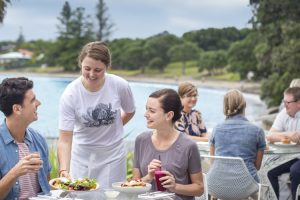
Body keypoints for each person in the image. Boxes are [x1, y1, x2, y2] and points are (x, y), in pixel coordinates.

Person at [57, 41, 135, 188]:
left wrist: (113, 128)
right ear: (80, 64)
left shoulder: (120, 85)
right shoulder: (70, 93)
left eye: (98, 70)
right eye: (87, 68)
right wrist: (63, 170)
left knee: (112, 196)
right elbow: (65, 139)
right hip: (82, 155)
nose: (91, 74)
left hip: (113, 154)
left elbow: (130, 111)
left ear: (107, 67)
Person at [133, 89, 203, 200]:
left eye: (152, 111)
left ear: (169, 115)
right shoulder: (141, 140)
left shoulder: (189, 146)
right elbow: (134, 186)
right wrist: (148, 177)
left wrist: (175, 187)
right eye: (146, 109)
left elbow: (199, 189)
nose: (146, 114)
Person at [0, 77, 51, 200]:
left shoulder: (39, 139)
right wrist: (15, 172)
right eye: (33, 100)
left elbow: (47, 187)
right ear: (17, 109)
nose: (39, 103)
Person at [209, 89, 266, 182]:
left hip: (219, 184)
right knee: (261, 193)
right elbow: (257, 167)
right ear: (244, 105)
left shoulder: (216, 129)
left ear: (225, 107)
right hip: (246, 186)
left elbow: (213, 163)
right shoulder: (258, 131)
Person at [266, 87, 300, 200]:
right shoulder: (284, 113)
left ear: (298, 103)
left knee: (295, 170)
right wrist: (289, 135)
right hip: (289, 157)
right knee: (269, 170)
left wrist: (280, 135)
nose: (285, 105)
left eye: (288, 102)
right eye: (284, 102)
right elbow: (270, 135)